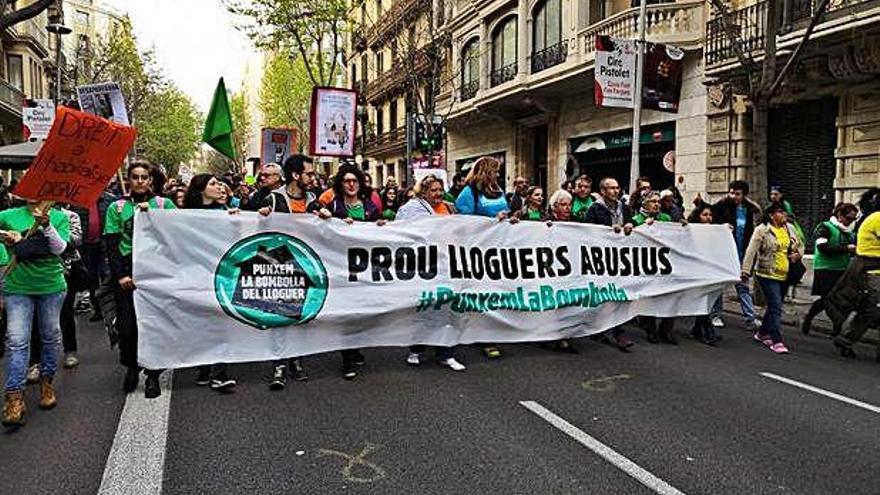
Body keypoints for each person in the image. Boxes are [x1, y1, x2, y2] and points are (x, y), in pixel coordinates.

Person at [104, 161, 176, 398]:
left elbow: (185, 230)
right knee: (127, 327)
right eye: (135, 177)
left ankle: (153, 374)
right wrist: (121, 274)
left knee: (155, 324)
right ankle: (131, 367)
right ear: (129, 179)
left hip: (156, 271)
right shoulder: (116, 208)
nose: (140, 181)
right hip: (127, 270)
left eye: (144, 177)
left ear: (151, 181)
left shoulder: (164, 205)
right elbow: (112, 245)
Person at [1, 200, 70, 428]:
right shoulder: (8, 215)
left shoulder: (59, 217)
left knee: (50, 336)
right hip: (17, 287)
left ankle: (46, 382)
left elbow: (59, 248)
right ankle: (14, 398)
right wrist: (5, 239)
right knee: (17, 341)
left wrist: (46, 226)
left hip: (51, 287)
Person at [317, 164, 383, 379]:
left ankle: (356, 348)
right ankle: (347, 358)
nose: (351, 184)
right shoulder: (334, 205)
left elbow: (379, 235)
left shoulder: (370, 207)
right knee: (348, 312)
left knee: (362, 311)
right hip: (341, 268)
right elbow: (315, 218)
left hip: (363, 269)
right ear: (340, 184)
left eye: (354, 180)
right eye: (346, 181)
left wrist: (381, 225)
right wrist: (330, 219)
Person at [395, 174, 466, 371]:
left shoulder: (449, 208)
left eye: (440, 190)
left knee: (448, 307)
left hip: (447, 264)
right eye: (433, 190)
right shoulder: (411, 209)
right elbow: (401, 232)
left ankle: (447, 353)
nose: (438, 193)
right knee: (425, 306)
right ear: (424, 192)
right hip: (424, 265)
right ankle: (416, 349)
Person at [258, 154, 316, 388]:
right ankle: (279, 364)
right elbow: (245, 223)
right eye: (309, 173)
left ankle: (297, 360)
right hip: (279, 267)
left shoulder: (314, 201)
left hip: (306, 267)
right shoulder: (273, 200)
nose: (313, 178)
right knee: (280, 316)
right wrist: (258, 217)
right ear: (295, 175)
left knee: (301, 316)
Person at [183, 175, 238, 393]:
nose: (219, 187)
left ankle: (219, 373)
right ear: (201, 190)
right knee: (203, 323)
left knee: (222, 322)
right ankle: (205, 367)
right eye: (213, 184)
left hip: (222, 275)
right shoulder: (185, 216)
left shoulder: (225, 212)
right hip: (198, 275)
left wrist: (236, 220)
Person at [454, 156, 510, 359]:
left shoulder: (499, 191)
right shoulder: (469, 193)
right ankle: (484, 336)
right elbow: (464, 223)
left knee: (496, 291)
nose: (498, 175)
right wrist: (491, 222)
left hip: (500, 249)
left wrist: (511, 218)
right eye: (495, 171)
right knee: (481, 292)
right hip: (479, 251)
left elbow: (506, 211)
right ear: (486, 172)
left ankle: (490, 329)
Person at [741, 203, 803, 355]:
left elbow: (800, 244)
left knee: (775, 306)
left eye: (784, 212)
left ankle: (762, 333)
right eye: (780, 212)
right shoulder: (762, 230)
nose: (784, 215)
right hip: (767, 274)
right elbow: (751, 251)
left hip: (786, 274)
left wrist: (798, 254)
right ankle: (776, 340)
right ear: (771, 215)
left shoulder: (790, 228)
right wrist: (745, 271)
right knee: (776, 305)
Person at [826, 191, 880, 360]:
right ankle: (845, 339)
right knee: (872, 310)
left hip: (872, 270)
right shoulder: (878, 218)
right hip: (872, 272)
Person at [702, 180, 761, 330]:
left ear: (744, 195)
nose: (734, 196)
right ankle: (716, 315)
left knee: (743, 286)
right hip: (723, 254)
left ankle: (750, 318)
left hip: (742, 255)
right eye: (732, 192)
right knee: (719, 286)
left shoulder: (750, 210)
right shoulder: (721, 207)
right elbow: (709, 223)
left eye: (737, 193)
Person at [584, 178, 635, 352]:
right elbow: (588, 232)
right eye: (611, 188)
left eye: (617, 188)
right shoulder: (595, 209)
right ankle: (605, 329)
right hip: (601, 258)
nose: (615, 191)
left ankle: (616, 331)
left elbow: (630, 223)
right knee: (604, 295)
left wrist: (629, 224)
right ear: (603, 191)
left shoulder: (624, 207)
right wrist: (608, 230)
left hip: (620, 258)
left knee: (617, 295)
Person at [801, 203, 857, 336]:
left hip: (842, 269)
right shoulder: (825, 227)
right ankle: (829, 324)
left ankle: (833, 327)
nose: (851, 222)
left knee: (836, 299)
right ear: (840, 215)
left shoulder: (849, 232)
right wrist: (846, 249)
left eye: (853, 219)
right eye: (849, 218)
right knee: (828, 298)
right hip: (825, 268)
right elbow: (822, 247)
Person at [632, 192, 677, 344]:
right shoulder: (636, 220)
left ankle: (666, 329)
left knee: (669, 296)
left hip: (665, 263)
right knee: (649, 297)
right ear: (644, 203)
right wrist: (644, 226)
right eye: (653, 202)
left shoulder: (666, 219)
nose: (657, 204)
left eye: (658, 202)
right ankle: (650, 329)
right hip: (646, 264)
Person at [687, 203, 721, 345]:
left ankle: (697, 329)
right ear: (698, 216)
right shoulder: (691, 231)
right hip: (696, 270)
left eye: (710, 215)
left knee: (705, 300)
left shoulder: (714, 231)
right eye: (705, 215)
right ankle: (709, 332)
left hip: (708, 269)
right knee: (703, 300)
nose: (708, 218)